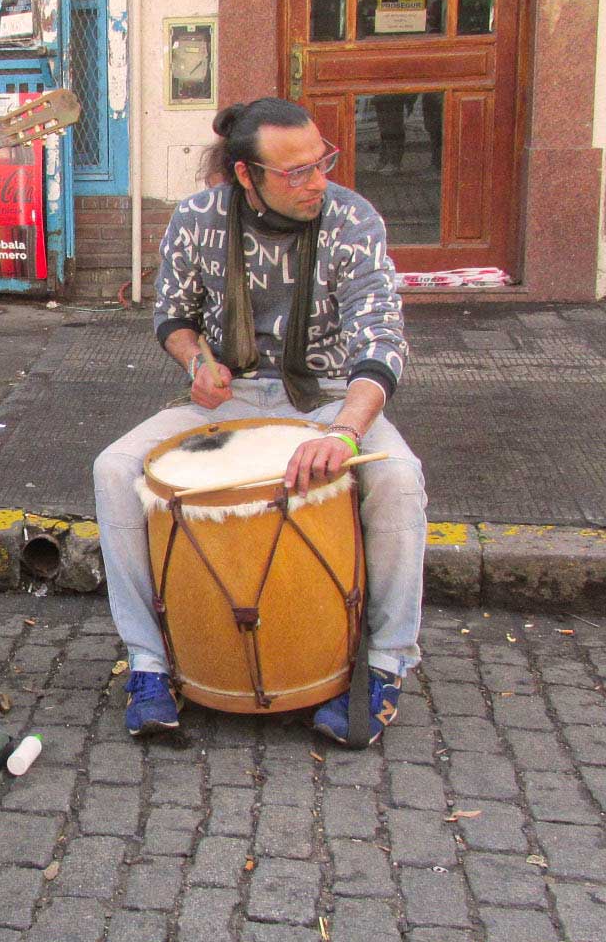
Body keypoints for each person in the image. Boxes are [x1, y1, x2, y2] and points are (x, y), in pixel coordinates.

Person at [92, 97, 426, 746]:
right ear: (248, 176)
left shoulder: (354, 220)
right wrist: (197, 361)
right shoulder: (196, 220)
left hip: (330, 394)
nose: (317, 181)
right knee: (113, 470)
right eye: (296, 172)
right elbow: (172, 315)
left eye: (322, 162)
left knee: (401, 479)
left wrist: (345, 430)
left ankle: (385, 666)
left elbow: (380, 343)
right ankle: (150, 664)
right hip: (233, 394)